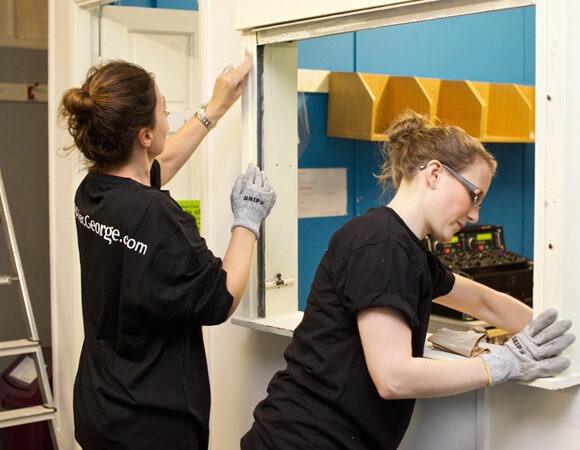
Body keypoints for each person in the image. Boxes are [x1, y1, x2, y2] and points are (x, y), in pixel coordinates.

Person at [241, 111, 574, 449]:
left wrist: (554, 335)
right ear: (434, 173)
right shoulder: (381, 245)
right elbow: (393, 377)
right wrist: (502, 364)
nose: (475, 214)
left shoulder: (402, 247)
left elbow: (482, 301)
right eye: (475, 195)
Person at [59, 57, 276, 450]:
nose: (169, 115)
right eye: (163, 109)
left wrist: (217, 106)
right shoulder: (158, 216)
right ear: (143, 135)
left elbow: (159, 164)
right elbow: (220, 297)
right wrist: (247, 220)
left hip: (100, 409)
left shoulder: (94, 191)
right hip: (153, 425)